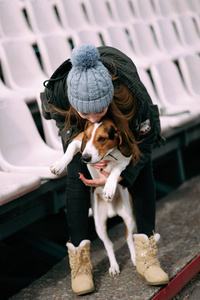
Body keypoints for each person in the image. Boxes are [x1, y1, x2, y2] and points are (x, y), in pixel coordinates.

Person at [40, 44, 169, 296]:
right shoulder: (59, 94)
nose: (92, 118)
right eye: (84, 112)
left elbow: (147, 138)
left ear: (109, 98)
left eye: (98, 111)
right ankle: (79, 260)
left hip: (128, 121)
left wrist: (121, 175)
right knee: (77, 175)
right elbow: (62, 121)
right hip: (77, 126)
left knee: (142, 169)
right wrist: (80, 146)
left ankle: (146, 254)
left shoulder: (131, 96)